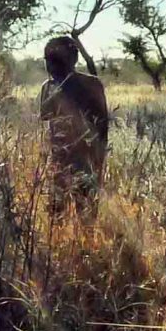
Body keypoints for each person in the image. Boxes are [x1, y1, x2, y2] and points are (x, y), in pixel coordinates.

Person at [38, 35, 110, 216]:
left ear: (72, 60)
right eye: (49, 60)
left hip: (86, 157)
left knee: (86, 212)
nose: (51, 65)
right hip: (60, 158)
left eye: (56, 60)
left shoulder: (91, 84)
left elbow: (102, 123)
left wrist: (98, 157)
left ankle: (87, 244)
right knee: (56, 212)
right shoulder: (49, 86)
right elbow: (45, 114)